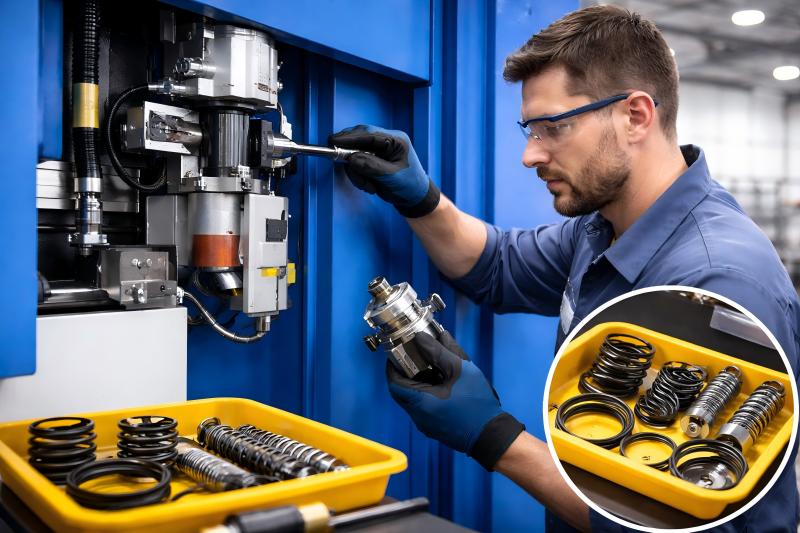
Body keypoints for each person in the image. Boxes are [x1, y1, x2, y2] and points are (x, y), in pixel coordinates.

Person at [330, 5, 800, 532]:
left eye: (553, 128)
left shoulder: (719, 283)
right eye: (529, 129)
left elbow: (687, 525)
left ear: (636, 116)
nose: (530, 155)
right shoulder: (602, 227)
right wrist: (421, 198)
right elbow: (495, 265)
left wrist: (495, 437)